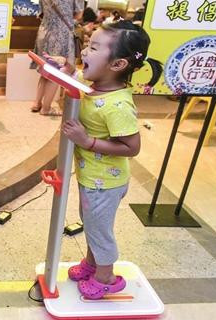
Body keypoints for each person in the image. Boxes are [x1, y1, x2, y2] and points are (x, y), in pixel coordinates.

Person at [58, 20, 162, 299]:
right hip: (91, 176)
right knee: (90, 223)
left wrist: (87, 141)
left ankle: (106, 277)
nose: (84, 53)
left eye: (93, 47)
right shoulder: (93, 86)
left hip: (106, 182)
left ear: (117, 65)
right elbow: (73, 81)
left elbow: (132, 147)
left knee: (100, 230)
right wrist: (66, 71)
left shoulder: (118, 104)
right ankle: (92, 264)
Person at [30, 0, 84, 116]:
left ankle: (37, 103)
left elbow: (41, 12)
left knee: (45, 70)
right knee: (56, 72)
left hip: (44, 31)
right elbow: (79, 14)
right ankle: (46, 108)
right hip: (61, 33)